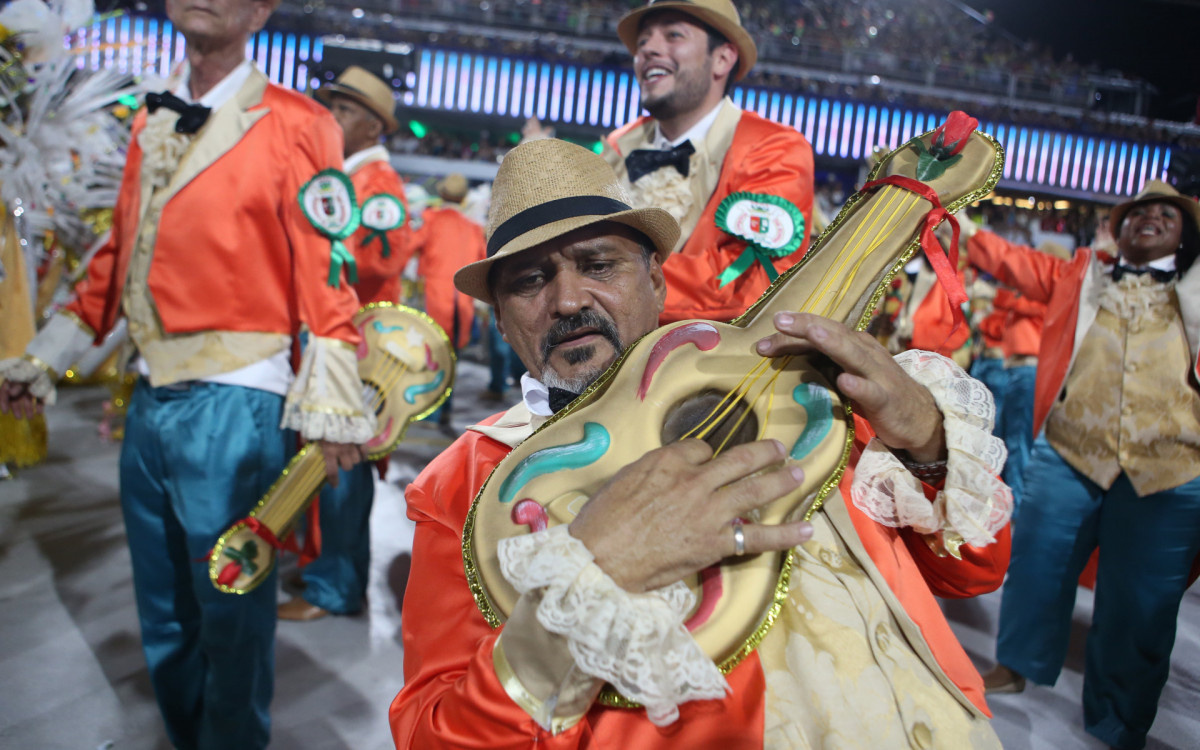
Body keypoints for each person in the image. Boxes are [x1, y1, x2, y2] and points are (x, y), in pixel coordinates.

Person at [389, 138, 1012, 748]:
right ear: (500, 319)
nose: (568, 300)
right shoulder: (463, 483)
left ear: (655, 280)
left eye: (598, 265)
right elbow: (433, 734)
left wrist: (928, 441)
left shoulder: (805, 384)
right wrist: (588, 582)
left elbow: (973, 572)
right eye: (529, 281)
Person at [0, 1, 371, 747]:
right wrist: (47, 354)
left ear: (261, 10)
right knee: (163, 606)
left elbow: (327, 264)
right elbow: (118, 252)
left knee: (231, 611)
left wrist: (334, 394)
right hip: (151, 394)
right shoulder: (154, 118)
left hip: (238, 400)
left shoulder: (299, 121)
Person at [963, 180, 1200, 750]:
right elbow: (1008, 260)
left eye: (1166, 214)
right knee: (1036, 565)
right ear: (1119, 229)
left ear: (1186, 235)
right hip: (1069, 450)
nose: (1149, 218)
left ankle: (1120, 718)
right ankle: (1015, 665)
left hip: (1170, 468)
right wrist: (952, 218)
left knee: (1143, 601)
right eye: (1137, 212)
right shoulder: (1080, 273)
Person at [277, 65, 412, 622]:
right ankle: (324, 569)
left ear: (374, 127)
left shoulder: (377, 183)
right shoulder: (351, 178)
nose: (331, 117)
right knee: (327, 459)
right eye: (331, 106)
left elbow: (380, 259)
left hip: (355, 349)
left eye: (346, 110)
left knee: (341, 464)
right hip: (338, 342)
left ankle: (335, 585)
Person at [602, 0, 815, 324]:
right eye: (643, 41)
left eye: (673, 35)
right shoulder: (618, 146)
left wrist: (602, 279)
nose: (648, 49)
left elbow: (750, 284)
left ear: (723, 59)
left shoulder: (773, 147)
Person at [408, 172, 486, 424]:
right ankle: (445, 406)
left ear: (442, 194)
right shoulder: (474, 228)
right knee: (453, 356)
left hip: (435, 297)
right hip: (462, 301)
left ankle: (432, 409)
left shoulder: (430, 219)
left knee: (432, 354)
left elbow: (409, 245)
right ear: (463, 198)